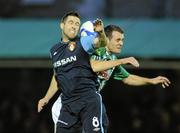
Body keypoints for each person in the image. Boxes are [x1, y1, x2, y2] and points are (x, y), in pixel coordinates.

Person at [37, 12, 139, 133]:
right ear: (62, 25)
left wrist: (101, 32)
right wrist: (46, 98)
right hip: (68, 104)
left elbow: (99, 43)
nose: (74, 26)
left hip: (88, 100)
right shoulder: (54, 50)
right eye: (71, 23)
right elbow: (57, 75)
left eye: (77, 24)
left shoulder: (83, 42)